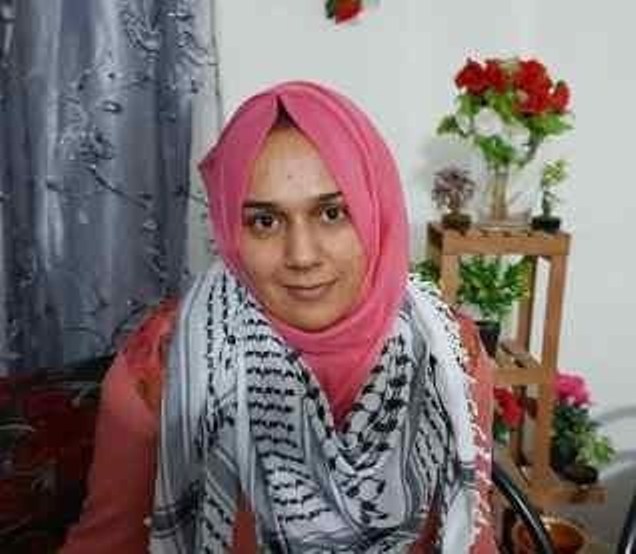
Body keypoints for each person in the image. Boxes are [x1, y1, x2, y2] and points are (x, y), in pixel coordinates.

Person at [61, 81, 494, 553]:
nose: (302, 256)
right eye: (264, 222)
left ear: (376, 210)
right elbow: (105, 543)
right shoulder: (164, 367)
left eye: (332, 213)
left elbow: (473, 539)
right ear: (230, 230)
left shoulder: (449, 355)